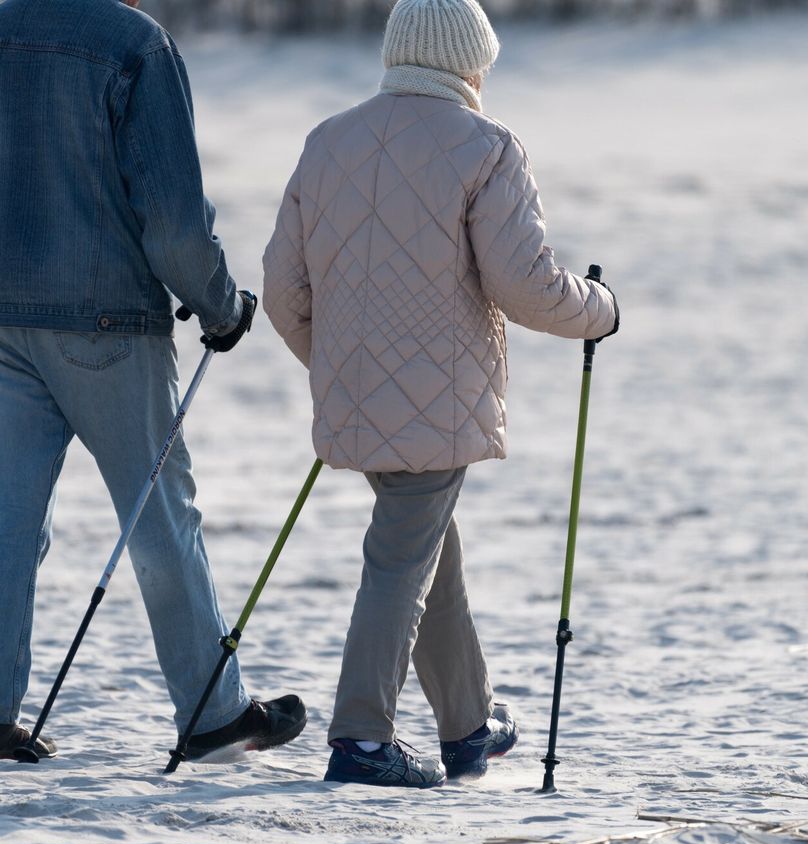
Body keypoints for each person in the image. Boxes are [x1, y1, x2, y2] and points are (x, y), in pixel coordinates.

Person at [0, 0, 305, 763]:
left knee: (7, 511)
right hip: (109, 321)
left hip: (6, 310)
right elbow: (174, 223)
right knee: (159, 510)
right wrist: (221, 307)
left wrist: (8, 215)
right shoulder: (136, 44)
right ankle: (212, 711)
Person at [262, 0, 619, 788]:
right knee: (401, 557)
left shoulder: (328, 140)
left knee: (426, 549)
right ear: (467, 62)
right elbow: (523, 285)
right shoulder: (487, 148)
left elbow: (284, 292)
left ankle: (469, 726)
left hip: (357, 397)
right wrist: (601, 309)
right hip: (440, 400)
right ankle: (360, 739)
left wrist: (343, 369)